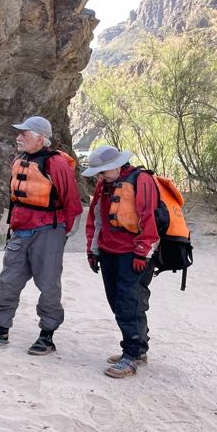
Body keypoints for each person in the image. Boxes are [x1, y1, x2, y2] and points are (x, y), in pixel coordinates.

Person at [0, 115, 82, 354]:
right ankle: (0, 331)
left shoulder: (56, 164)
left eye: (24, 133)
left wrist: (60, 234)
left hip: (48, 232)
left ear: (40, 138)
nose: (18, 137)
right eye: (19, 133)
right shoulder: (19, 159)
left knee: (48, 285)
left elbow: (72, 204)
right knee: (8, 282)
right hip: (21, 232)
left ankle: (47, 336)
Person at [82, 145, 159, 378]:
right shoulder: (103, 185)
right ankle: (138, 348)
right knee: (117, 301)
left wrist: (142, 252)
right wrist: (93, 250)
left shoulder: (141, 180)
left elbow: (149, 217)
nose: (99, 176)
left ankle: (131, 355)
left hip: (133, 253)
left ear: (116, 166)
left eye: (102, 171)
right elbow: (96, 218)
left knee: (128, 302)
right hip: (108, 252)